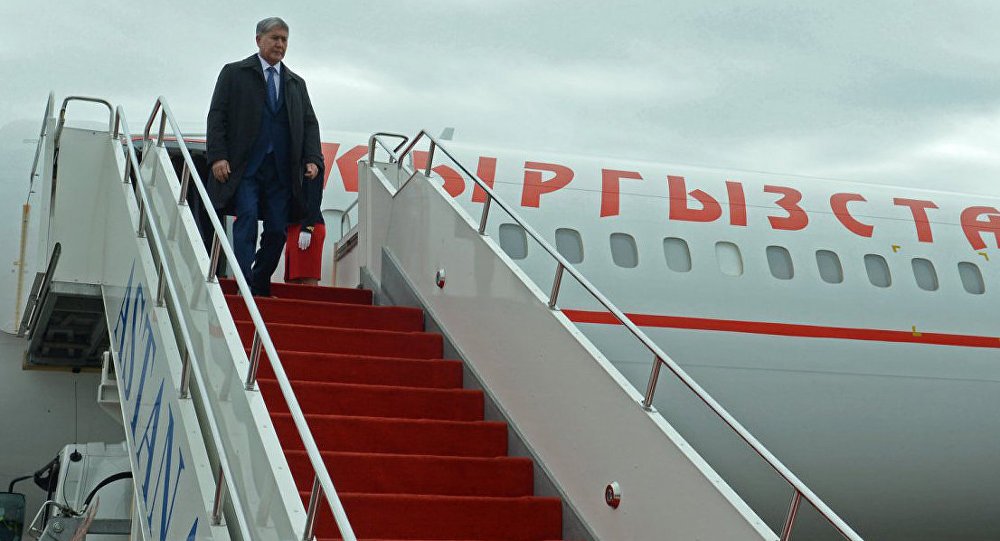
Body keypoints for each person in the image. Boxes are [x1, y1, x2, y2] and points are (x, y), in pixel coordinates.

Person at [206, 16, 323, 296]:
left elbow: (309, 123)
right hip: (246, 166)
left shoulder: (295, 83)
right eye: (275, 38)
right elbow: (217, 115)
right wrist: (218, 156)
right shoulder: (235, 73)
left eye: (284, 40)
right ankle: (244, 284)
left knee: (277, 231)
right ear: (259, 40)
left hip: (281, 170)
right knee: (246, 219)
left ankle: (259, 281)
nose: (280, 44)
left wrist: (312, 158)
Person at [284, 165, 325, 285]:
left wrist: (308, 227)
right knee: (291, 279)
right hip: (292, 227)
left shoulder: (311, 162)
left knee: (307, 277)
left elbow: (314, 198)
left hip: (308, 226)